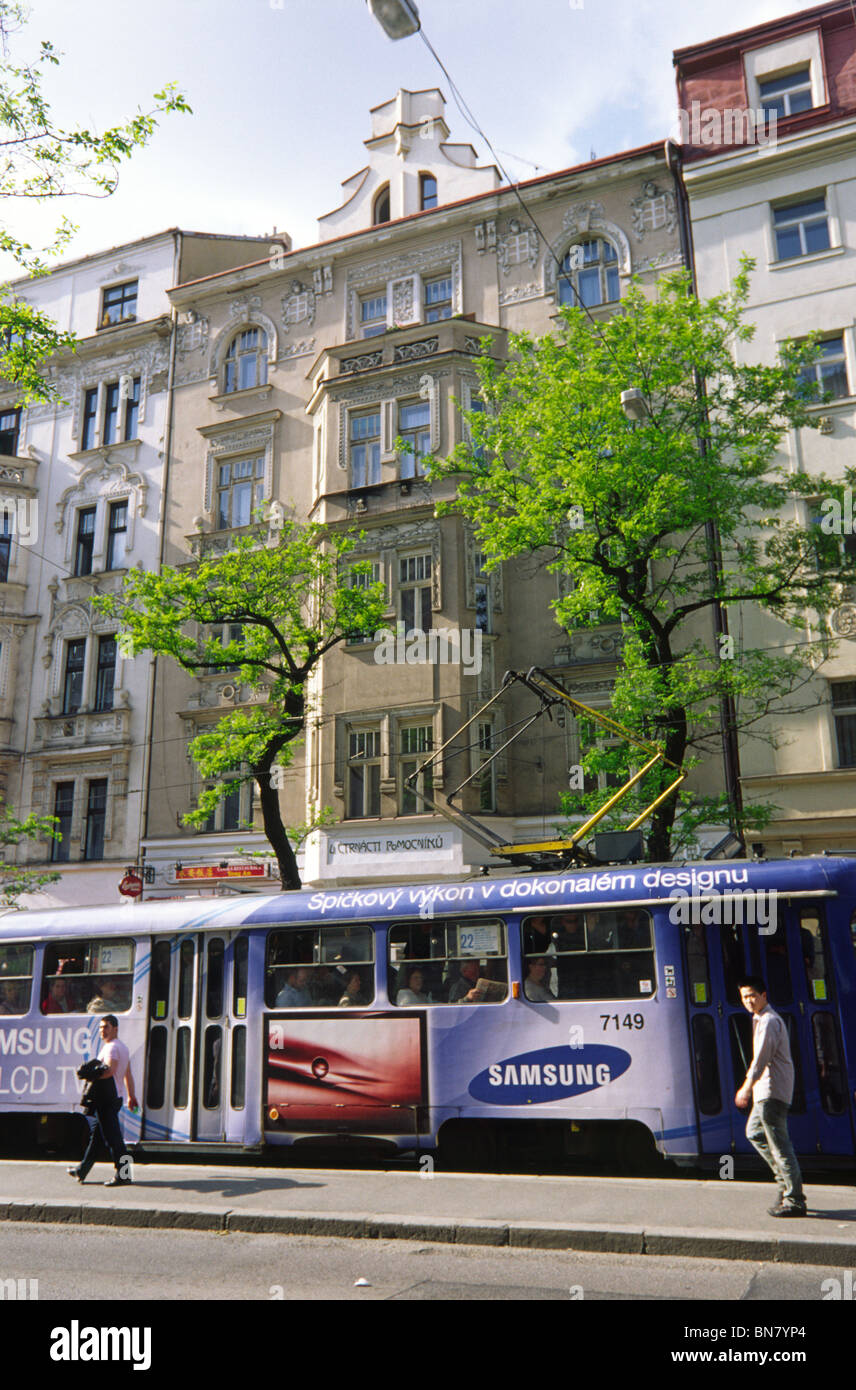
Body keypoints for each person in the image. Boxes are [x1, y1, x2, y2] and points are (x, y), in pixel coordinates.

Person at [734, 975, 806, 1218]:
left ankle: (794, 1199)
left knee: (780, 1146)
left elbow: (762, 1058)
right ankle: (786, 1186)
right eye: (744, 997)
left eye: (753, 995)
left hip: (772, 1091)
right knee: (754, 1132)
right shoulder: (760, 1019)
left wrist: (745, 1087)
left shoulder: (769, 1021)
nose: (749, 1001)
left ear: (764, 995)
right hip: (765, 1092)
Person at [68, 1015, 137, 1187]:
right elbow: (127, 1075)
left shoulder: (112, 1048)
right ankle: (82, 1170)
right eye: (100, 1027)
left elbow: (109, 1071)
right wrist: (131, 1096)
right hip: (116, 1097)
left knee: (115, 1140)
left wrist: (90, 1074)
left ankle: (124, 1175)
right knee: (97, 1138)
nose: (102, 1031)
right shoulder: (123, 1047)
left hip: (107, 1098)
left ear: (115, 1028)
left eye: (106, 1027)